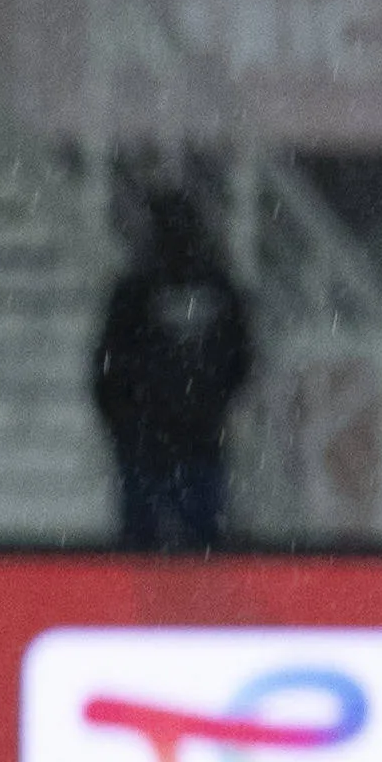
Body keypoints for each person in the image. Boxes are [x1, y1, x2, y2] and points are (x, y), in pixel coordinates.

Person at [92, 186, 257, 553]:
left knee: (154, 543)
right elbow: (241, 359)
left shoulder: (140, 288)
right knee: (195, 543)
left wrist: (128, 419)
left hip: (166, 440)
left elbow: (108, 365)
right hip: (185, 439)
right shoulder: (209, 286)